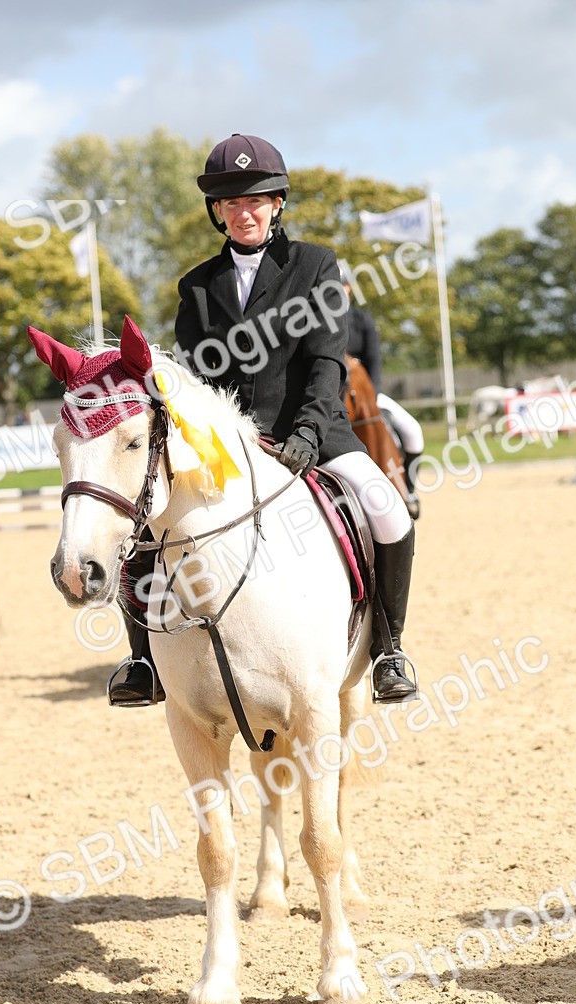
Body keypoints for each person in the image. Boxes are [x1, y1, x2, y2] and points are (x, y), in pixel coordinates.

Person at [109, 133, 417, 708]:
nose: (243, 212)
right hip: (227, 447)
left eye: (255, 200)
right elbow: (200, 382)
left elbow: (328, 363)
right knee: (145, 533)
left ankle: (390, 649)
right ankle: (143, 661)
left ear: (277, 203)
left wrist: (305, 433)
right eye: (230, 203)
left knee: (387, 509)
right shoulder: (198, 287)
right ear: (217, 212)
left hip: (315, 435)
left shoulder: (315, 267)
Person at [342, 278, 424, 515]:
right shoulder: (319, 321)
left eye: (341, 285)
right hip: (335, 397)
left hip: (366, 394)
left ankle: (408, 490)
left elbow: (374, 359)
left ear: (348, 288)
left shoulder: (362, 319)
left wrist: (373, 395)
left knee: (412, 430)